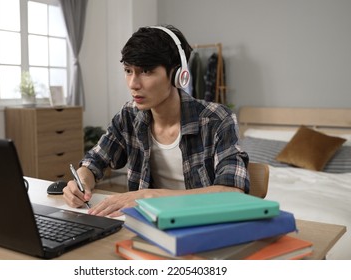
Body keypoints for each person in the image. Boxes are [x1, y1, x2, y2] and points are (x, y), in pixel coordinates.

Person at [63, 25, 249, 217]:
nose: (133, 84)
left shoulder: (217, 120)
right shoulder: (129, 115)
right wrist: (82, 182)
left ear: (178, 75)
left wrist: (148, 197)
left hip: (200, 225)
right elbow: (95, 161)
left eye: (146, 71)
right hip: (145, 227)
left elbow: (232, 192)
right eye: (128, 70)